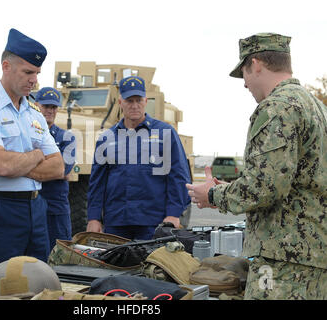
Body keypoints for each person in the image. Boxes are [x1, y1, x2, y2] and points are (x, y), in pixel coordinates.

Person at [186, 33, 327, 300]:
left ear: (256, 63)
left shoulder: (278, 107)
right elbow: (296, 182)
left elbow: (265, 188)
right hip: (313, 259)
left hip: (283, 262)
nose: (245, 85)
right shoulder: (316, 107)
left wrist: (213, 195)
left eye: (245, 74)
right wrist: (233, 190)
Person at [0, 28, 64, 274]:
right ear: (6, 66)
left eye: (37, 73)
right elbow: (1, 165)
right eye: (28, 72)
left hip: (36, 209)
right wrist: (37, 155)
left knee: (37, 285)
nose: (34, 80)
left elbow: (58, 167)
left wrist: (17, 164)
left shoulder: (34, 112)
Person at [87, 75, 192, 240]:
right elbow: (97, 182)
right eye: (129, 101)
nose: (134, 106)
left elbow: (178, 176)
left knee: (152, 265)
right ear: (121, 102)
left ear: (145, 101)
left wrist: (173, 214)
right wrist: (93, 217)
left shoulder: (165, 133)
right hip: (116, 221)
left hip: (154, 221)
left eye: (138, 100)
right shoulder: (106, 138)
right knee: (115, 265)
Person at [35, 87, 76, 252]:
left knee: (59, 254)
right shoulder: (27, 134)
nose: (49, 111)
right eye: (46, 106)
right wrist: (50, 165)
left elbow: (62, 169)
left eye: (53, 107)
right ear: (36, 105)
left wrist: (29, 165)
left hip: (55, 207)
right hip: (31, 204)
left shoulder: (67, 137)